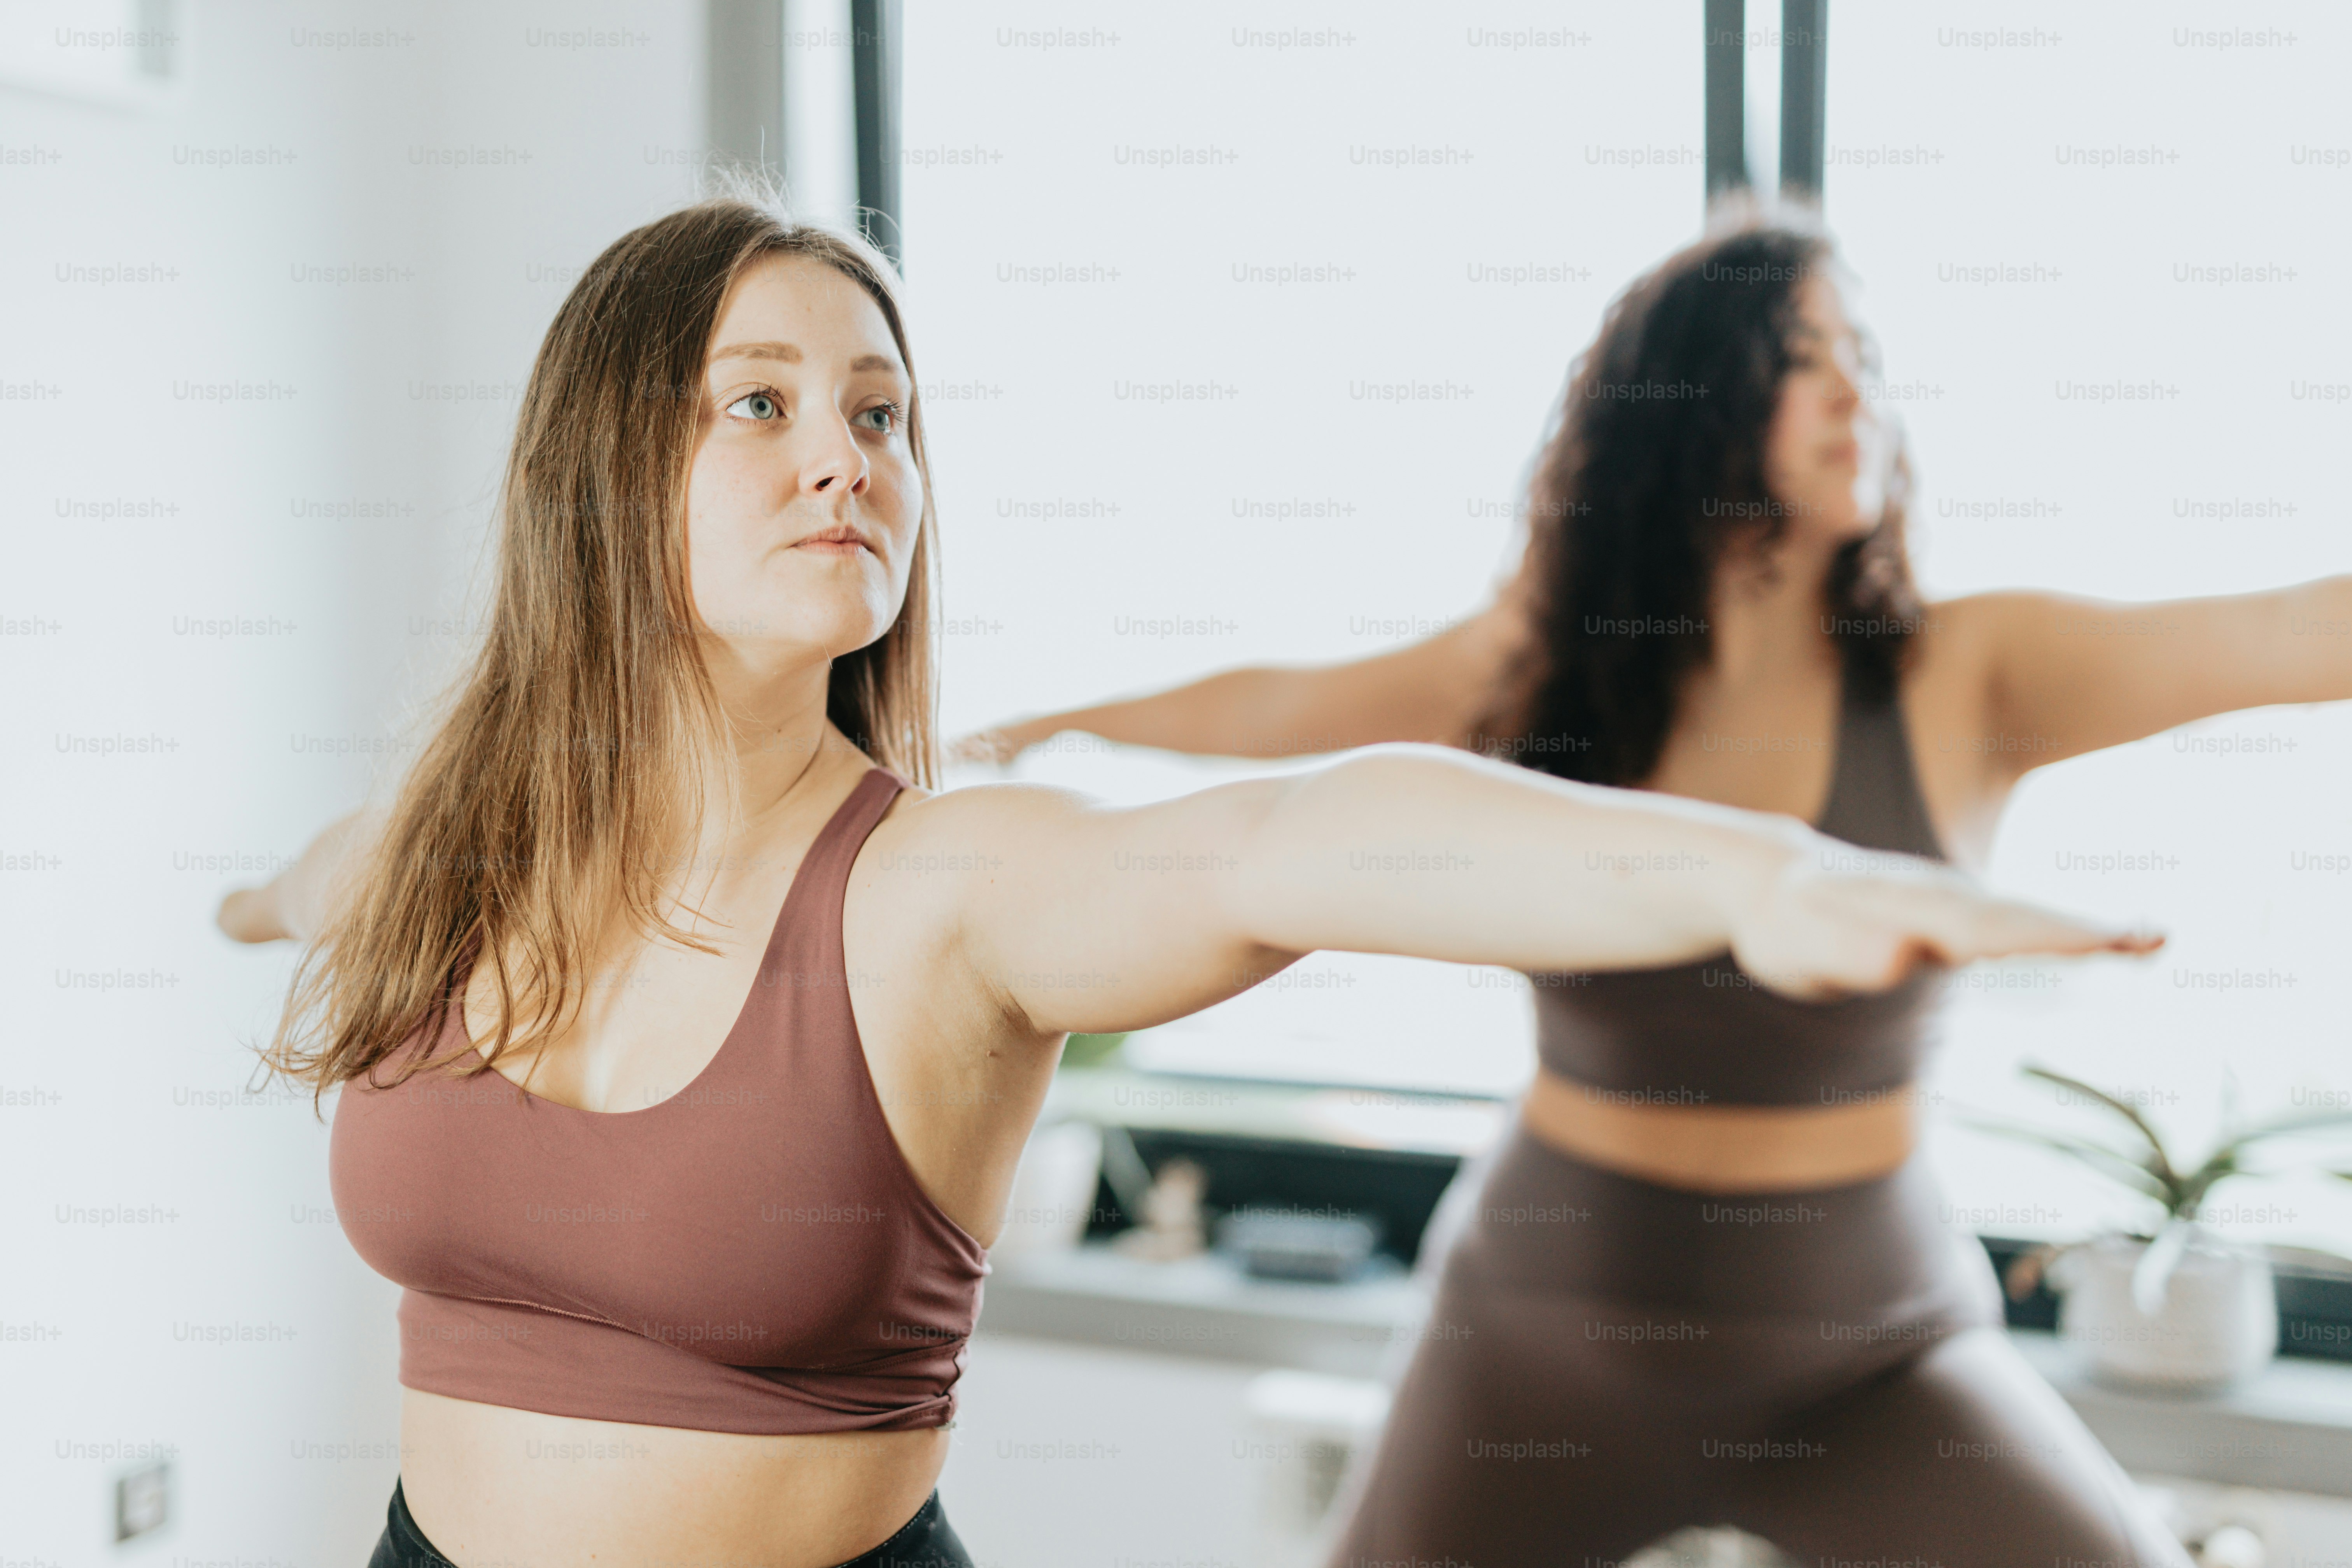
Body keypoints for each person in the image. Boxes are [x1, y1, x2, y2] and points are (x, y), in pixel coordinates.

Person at [213, 194, 2156, 1568]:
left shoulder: (945, 890)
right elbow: (315, 882)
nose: (850, 461)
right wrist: (249, 900)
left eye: (882, 415)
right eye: (764, 402)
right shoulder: (448, 854)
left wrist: (1755, 877)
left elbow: (1295, 841)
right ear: (598, 468)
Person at [956, 213, 2350, 1563]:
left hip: (1873, 1351)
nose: (1857, 394)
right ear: (1691, 402)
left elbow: (2288, 633)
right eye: (1807, 357)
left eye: (1866, 359)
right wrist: (1043, 726)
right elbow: (1293, 706)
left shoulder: (1972, 670)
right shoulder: (1548, 660)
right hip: (1551, 1344)